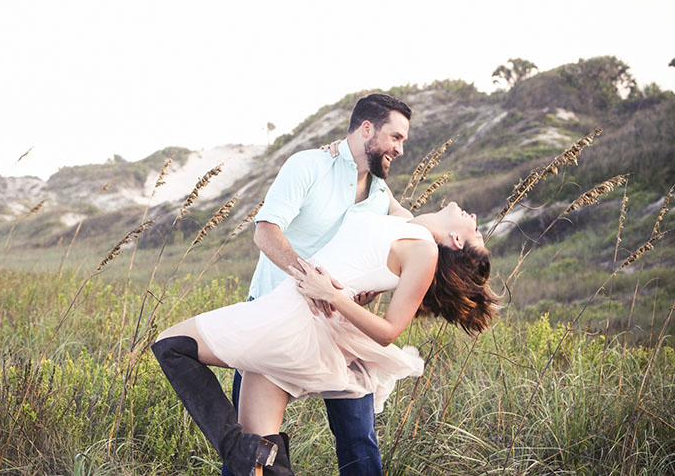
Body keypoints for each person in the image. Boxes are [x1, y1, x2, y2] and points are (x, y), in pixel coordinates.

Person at [152, 202, 497, 475]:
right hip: (291, 318)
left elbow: (390, 332)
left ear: (455, 240)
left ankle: (233, 446)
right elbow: (375, 178)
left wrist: (333, 296)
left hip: (292, 320)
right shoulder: (405, 222)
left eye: (476, 230)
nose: (474, 216)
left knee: (171, 345)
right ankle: (244, 449)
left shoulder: (426, 252)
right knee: (261, 459)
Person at [238, 93, 413, 475]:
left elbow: (413, 231)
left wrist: (370, 290)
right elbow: (266, 233)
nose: (400, 149)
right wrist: (312, 281)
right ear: (367, 128)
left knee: (359, 438)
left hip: (337, 329)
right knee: (251, 448)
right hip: (273, 316)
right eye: (395, 137)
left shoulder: (381, 193)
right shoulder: (307, 165)